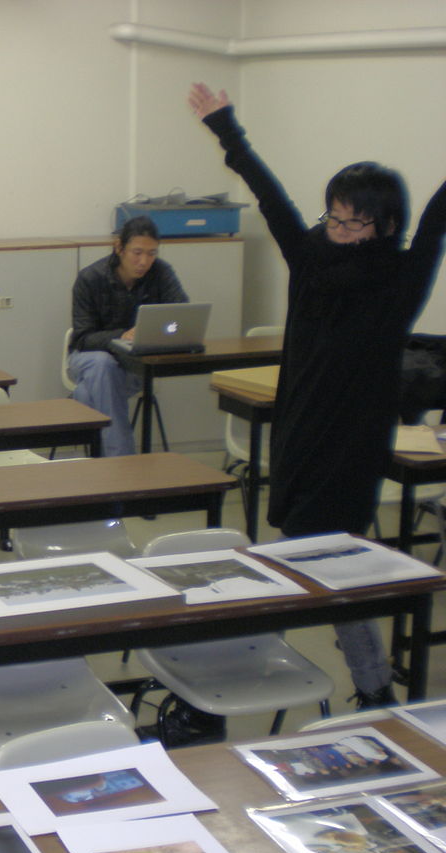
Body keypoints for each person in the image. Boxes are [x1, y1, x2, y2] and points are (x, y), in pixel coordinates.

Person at [190, 81, 446, 712]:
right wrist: (226, 128)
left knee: (309, 559)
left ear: (386, 225)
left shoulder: (401, 277)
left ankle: (231, 677)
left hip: (353, 444)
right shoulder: (310, 256)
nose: (339, 229)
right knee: (327, 563)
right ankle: (373, 687)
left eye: (354, 221)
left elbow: (439, 215)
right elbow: (269, 195)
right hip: (299, 431)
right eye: (334, 215)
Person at [68, 216, 189, 457]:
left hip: (136, 364)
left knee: (87, 393)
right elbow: (83, 339)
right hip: (88, 359)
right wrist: (121, 335)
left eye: (152, 253)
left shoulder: (162, 273)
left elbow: (181, 316)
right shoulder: (90, 278)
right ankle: (121, 460)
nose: (144, 261)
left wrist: (162, 329)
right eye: (137, 252)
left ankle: (102, 466)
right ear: (119, 248)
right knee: (103, 364)